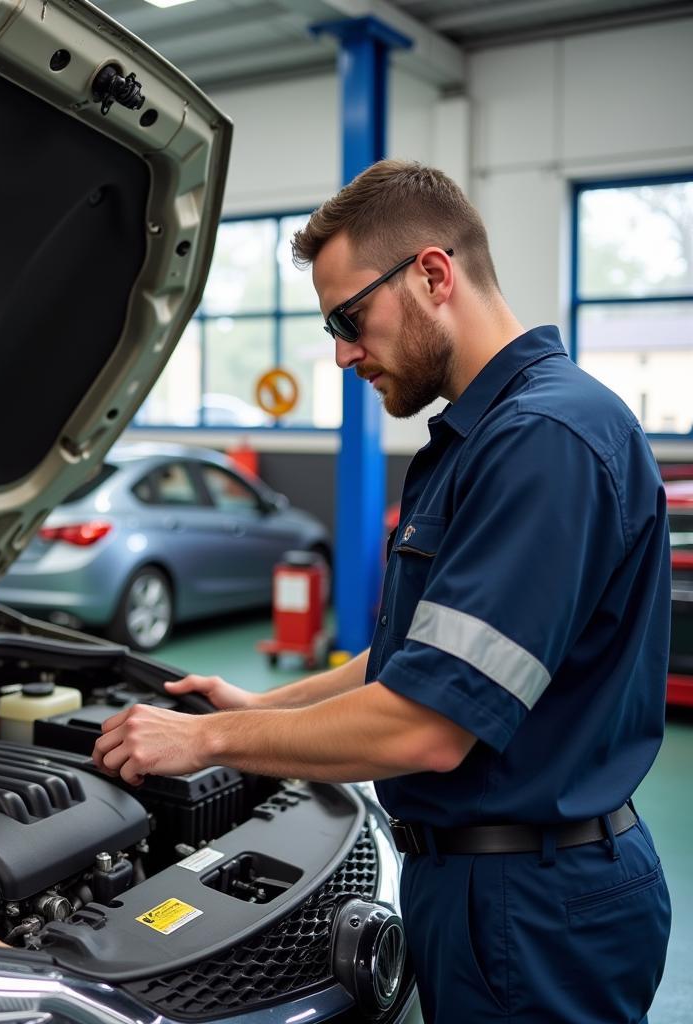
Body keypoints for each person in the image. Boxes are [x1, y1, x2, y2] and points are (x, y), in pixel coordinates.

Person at [92, 159, 672, 1023]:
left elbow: (426, 725)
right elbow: (412, 663)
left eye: (349, 317)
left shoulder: (543, 441)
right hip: (488, 885)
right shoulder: (485, 438)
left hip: (532, 907)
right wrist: (267, 704)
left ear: (434, 274)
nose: (342, 353)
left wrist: (212, 740)